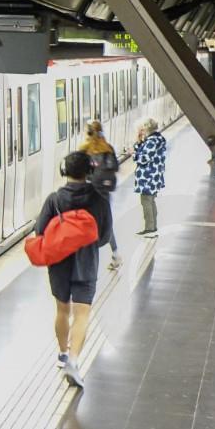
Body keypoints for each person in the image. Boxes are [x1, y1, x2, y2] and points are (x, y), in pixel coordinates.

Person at [37, 150, 114, 389]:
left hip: (59, 262)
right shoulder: (99, 199)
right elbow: (105, 236)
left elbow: (40, 232)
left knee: (62, 309)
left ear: (64, 171)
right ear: (90, 171)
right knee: (82, 314)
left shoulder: (54, 200)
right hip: (86, 262)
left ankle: (62, 354)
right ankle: (73, 360)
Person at [81, 119, 122, 270]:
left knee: (88, 225)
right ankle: (116, 254)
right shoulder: (107, 148)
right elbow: (115, 167)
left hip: (89, 192)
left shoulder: (85, 150)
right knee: (106, 223)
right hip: (104, 192)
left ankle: (89, 262)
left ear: (88, 133)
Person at [133, 119, 167, 236]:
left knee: (146, 201)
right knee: (150, 200)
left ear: (146, 129)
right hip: (153, 176)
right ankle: (153, 226)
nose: (140, 131)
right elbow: (144, 151)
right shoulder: (156, 139)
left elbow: (144, 158)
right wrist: (139, 142)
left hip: (148, 176)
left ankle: (150, 228)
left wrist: (133, 154)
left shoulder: (152, 141)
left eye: (141, 129)